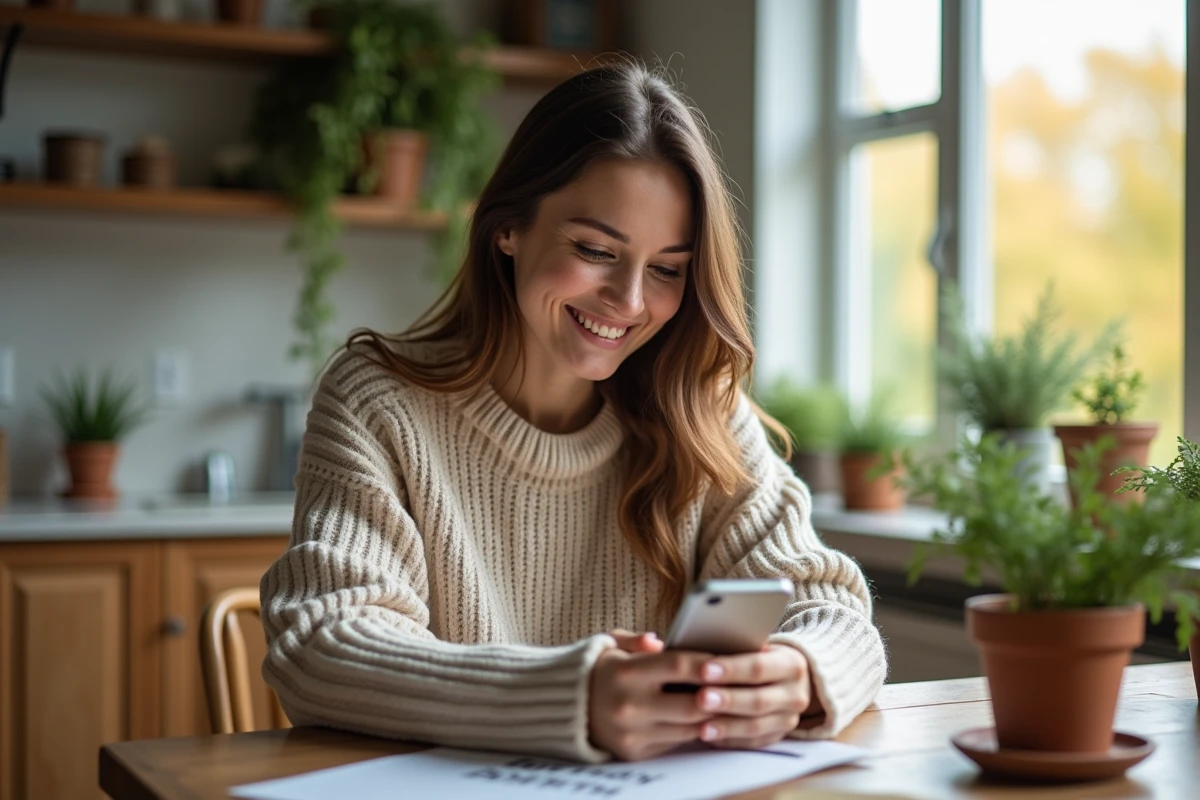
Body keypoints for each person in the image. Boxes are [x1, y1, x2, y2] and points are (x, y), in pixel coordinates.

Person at [260, 60, 886, 764]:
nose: (627, 300)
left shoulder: (699, 408)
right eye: (595, 250)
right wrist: (574, 695)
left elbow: (831, 608)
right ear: (508, 229)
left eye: (667, 269)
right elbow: (321, 644)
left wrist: (801, 672)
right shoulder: (379, 403)